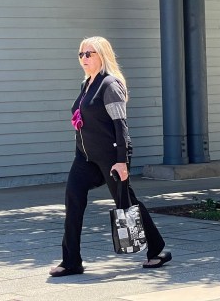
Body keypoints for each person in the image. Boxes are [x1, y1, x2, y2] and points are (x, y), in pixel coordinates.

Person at [49, 36, 172, 277]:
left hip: (110, 157)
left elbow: (120, 125)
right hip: (84, 157)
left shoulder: (110, 84)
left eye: (89, 53)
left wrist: (122, 160)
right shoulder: (86, 84)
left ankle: (157, 249)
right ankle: (71, 261)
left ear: (102, 55)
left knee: (127, 202)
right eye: (81, 54)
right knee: (73, 200)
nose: (84, 58)